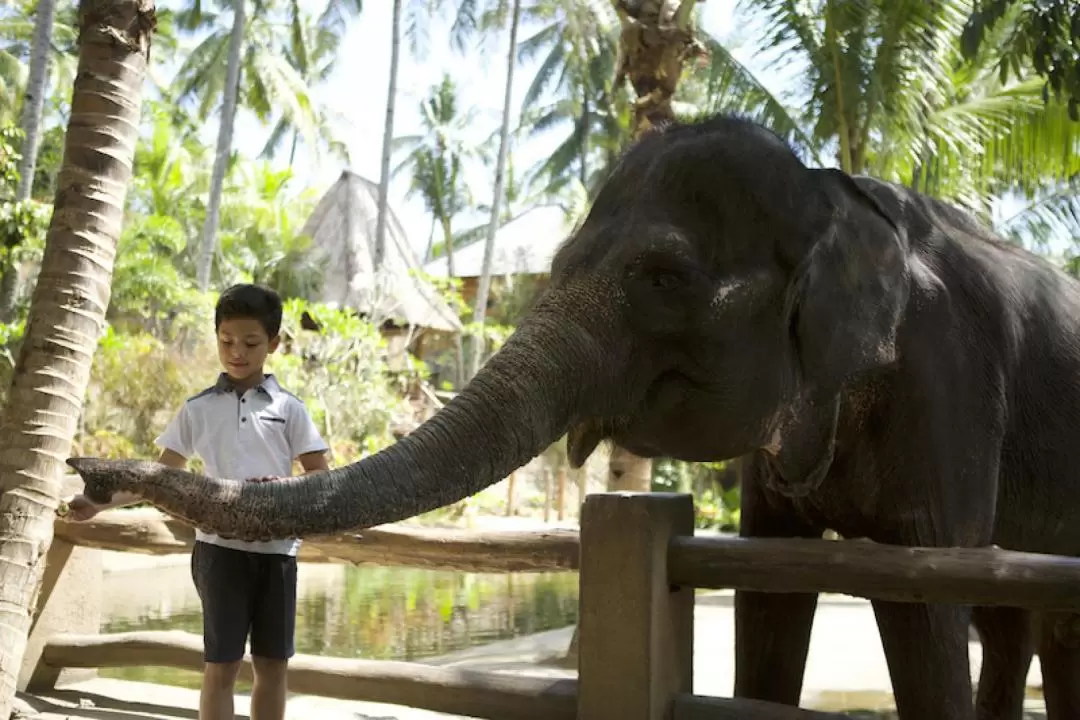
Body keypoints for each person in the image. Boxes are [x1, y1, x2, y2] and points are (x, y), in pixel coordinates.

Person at [66, 283, 330, 720]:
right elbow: (158, 480)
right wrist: (98, 504)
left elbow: (319, 476)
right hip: (218, 553)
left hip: (277, 555)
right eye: (227, 342)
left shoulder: (291, 409)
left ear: (274, 344)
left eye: (250, 343)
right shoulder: (197, 409)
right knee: (220, 665)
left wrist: (283, 486)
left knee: (272, 665)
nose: (237, 352)